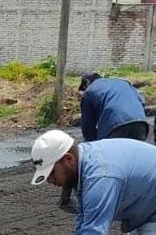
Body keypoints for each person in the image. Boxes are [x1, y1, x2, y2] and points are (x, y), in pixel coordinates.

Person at [61, 73, 150, 207]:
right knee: (134, 162)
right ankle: (137, 199)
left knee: (106, 164)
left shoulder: (90, 91)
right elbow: (141, 102)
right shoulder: (124, 82)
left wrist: (92, 148)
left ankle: (96, 199)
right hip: (140, 122)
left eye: (83, 88)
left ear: (86, 83)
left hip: (115, 124)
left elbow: (88, 126)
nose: (83, 91)